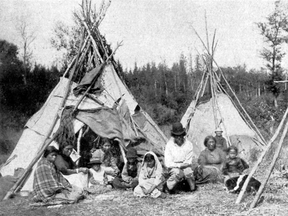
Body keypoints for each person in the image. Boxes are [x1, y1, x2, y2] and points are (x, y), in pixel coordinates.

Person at [164, 122, 196, 193]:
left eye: (180, 135)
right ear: (173, 136)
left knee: (188, 172)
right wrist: (179, 166)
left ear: (183, 135)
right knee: (178, 173)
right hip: (173, 167)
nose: (179, 137)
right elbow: (168, 163)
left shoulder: (188, 144)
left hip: (185, 166)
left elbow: (188, 161)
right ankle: (168, 187)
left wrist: (184, 167)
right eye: (176, 136)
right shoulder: (169, 145)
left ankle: (190, 188)